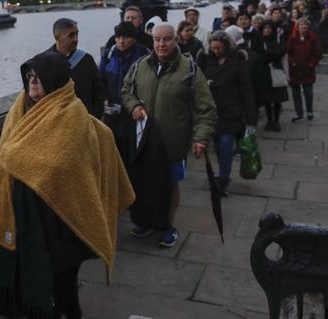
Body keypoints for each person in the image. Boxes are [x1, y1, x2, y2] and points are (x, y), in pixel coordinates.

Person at [0, 50, 134, 318]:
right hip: (21, 218)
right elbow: (7, 159)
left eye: (39, 78)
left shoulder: (71, 116)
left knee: (62, 289)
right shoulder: (18, 110)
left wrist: (17, 158)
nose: (32, 82)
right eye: (29, 76)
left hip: (60, 224)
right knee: (28, 283)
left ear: (56, 82)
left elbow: (59, 167)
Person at [122, 23, 217, 247]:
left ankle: (167, 225)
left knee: (170, 185)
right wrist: (134, 105)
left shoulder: (190, 70)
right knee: (144, 182)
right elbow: (127, 90)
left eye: (166, 39)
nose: (161, 44)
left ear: (176, 40)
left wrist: (201, 137)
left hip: (172, 143)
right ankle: (146, 221)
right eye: (157, 39)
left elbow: (206, 108)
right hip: (144, 141)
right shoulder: (140, 66)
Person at [197, 31, 257, 196]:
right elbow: (197, 80)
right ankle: (223, 172)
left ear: (226, 46)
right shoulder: (205, 59)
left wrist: (251, 117)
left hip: (231, 111)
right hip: (211, 112)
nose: (216, 51)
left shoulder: (237, 61)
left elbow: (246, 90)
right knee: (217, 146)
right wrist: (205, 84)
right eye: (213, 48)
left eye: (219, 48)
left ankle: (223, 179)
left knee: (225, 145)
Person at [99, 21, 150, 152]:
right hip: (113, 110)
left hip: (133, 110)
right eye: (118, 37)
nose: (121, 41)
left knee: (133, 148)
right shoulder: (110, 53)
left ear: (133, 38)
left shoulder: (144, 54)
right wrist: (104, 97)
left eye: (126, 37)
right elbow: (101, 77)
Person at [49, 18, 103, 117]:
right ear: (57, 37)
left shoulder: (86, 60)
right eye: (71, 35)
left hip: (85, 121)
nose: (76, 39)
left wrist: (94, 117)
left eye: (77, 34)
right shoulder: (44, 63)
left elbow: (99, 92)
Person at [251, 21, 290, 132]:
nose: (267, 30)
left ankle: (276, 120)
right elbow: (258, 53)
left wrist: (269, 53)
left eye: (269, 28)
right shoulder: (259, 40)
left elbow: (281, 51)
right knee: (266, 99)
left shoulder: (278, 38)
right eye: (265, 28)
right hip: (263, 72)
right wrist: (271, 53)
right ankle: (269, 120)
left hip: (276, 70)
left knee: (277, 98)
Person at [287, 18, 323, 122]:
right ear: (297, 27)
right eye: (301, 25)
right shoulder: (292, 37)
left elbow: (318, 52)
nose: (304, 27)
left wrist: (312, 63)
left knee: (308, 93)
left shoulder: (313, 37)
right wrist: (292, 62)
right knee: (295, 93)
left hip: (308, 70)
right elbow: (289, 52)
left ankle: (310, 111)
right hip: (295, 70)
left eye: (305, 25)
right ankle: (299, 114)